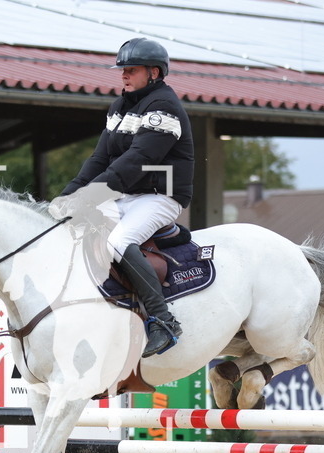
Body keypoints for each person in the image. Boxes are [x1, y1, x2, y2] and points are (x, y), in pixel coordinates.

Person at [56, 37, 194, 357]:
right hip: (126, 196)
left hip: (161, 195)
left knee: (117, 242)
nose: (123, 75)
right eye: (122, 70)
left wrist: (89, 196)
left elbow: (134, 163)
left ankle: (163, 320)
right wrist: (66, 197)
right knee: (78, 228)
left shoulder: (164, 108)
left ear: (154, 73)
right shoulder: (119, 107)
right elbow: (99, 160)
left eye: (131, 70)